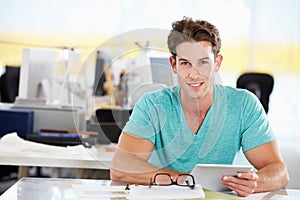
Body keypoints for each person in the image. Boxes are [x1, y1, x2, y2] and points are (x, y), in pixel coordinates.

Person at [110, 17, 289, 197]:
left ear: (217, 63)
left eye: (203, 62)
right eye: (185, 63)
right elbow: (121, 168)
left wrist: (257, 182)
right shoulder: (153, 105)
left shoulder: (243, 104)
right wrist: (184, 180)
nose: (194, 74)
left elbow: (279, 172)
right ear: (174, 65)